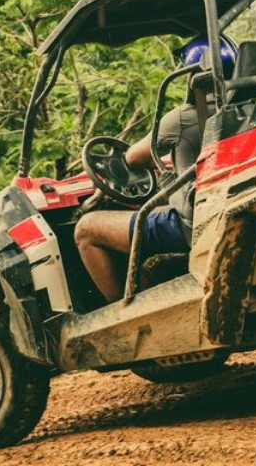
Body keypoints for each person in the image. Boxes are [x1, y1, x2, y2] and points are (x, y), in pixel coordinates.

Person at [74, 35, 236, 303]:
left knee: (86, 229)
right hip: (221, 209)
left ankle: (119, 314)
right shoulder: (240, 106)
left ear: (191, 74)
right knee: (152, 213)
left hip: (192, 224)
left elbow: (132, 158)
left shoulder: (184, 118)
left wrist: (151, 163)